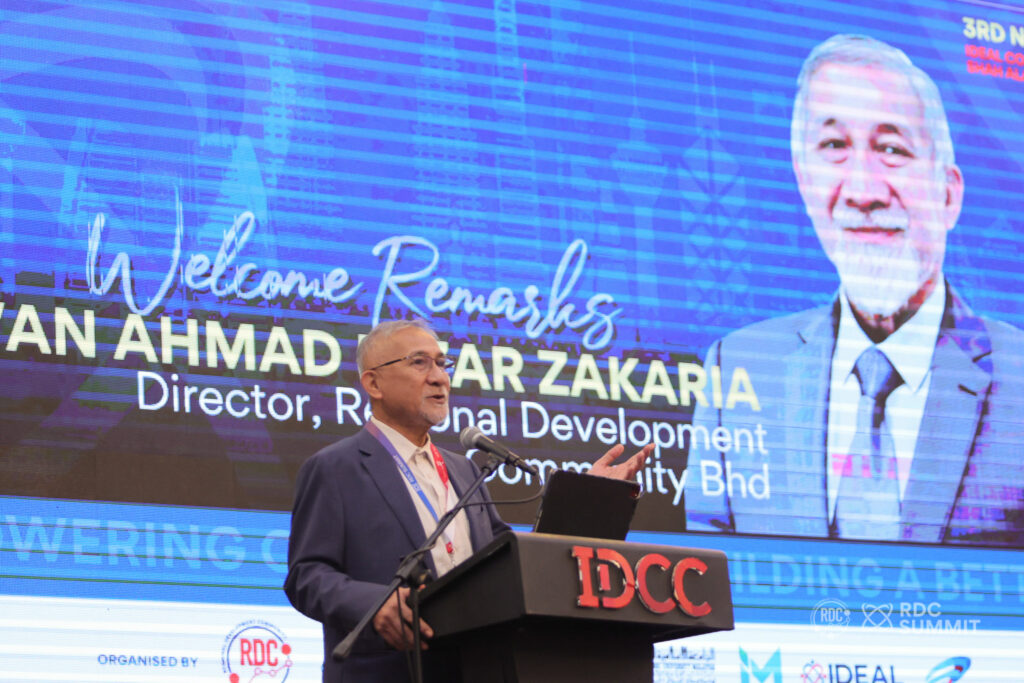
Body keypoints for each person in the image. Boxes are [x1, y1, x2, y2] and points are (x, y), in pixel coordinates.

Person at [684, 34, 1024, 545]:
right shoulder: (737, 366)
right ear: (804, 181)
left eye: (892, 149)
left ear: (949, 194)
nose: (863, 191)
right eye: (834, 147)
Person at [285, 319, 653, 682]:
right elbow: (307, 576)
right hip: (388, 670)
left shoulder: (463, 470)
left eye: (442, 363)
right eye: (419, 362)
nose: (439, 378)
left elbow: (511, 562)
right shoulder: (336, 468)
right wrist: (372, 603)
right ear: (373, 383)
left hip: (479, 668)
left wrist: (588, 499)